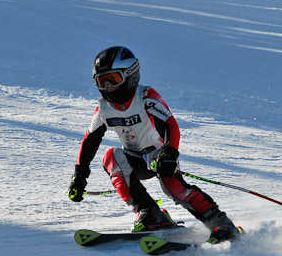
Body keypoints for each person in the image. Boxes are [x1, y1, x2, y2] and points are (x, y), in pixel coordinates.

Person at [68, 46, 243, 243]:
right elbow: (90, 141)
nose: (108, 87)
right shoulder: (104, 109)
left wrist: (169, 153)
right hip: (134, 159)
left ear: (130, 75)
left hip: (159, 155)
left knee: (173, 187)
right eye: (102, 81)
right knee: (111, 157)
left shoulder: (146, 97)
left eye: (114, 80)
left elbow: (170, 125)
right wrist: (79, 177)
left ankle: (220, 223)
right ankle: (150, 213)